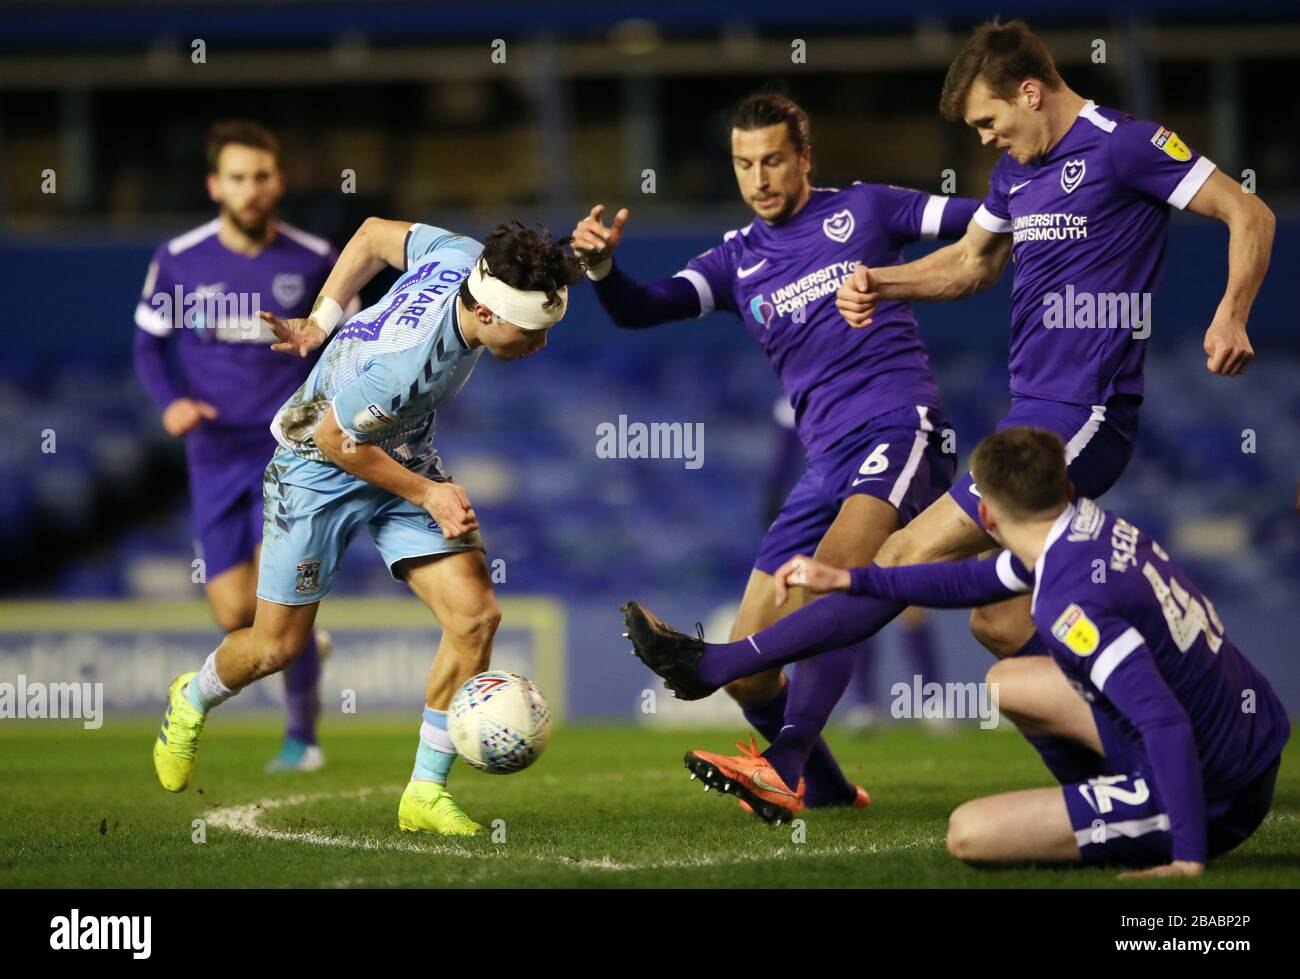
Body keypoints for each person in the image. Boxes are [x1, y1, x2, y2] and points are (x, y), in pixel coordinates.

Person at [621, 18, 1273, 822]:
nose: (986, 138)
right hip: (1025, 422)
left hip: (1085, 416)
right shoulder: (1015, 175)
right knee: (1002, 625)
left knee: (899, 552)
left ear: (1031, 90)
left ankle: (732, 682)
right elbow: (971, 262)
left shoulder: (1126, 146)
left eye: (988, 120)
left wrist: (1232, 313)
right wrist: (884, 284)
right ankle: (1143, 760)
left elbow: (1250, 213)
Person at [577, 91, 977, 818]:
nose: (758, 178)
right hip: (823, 465)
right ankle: (824, 787)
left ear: (804, 159)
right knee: (749, 668)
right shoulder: (737, 260)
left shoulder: (867, 209)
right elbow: (644, 308)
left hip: (899, 430)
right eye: (742, 164)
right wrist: (605, 271)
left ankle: (783, 765)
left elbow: (982, 220)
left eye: (771, 161)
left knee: (833, 589)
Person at [151, 218, 582, 836]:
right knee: (276, 647)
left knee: (475, 619)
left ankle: (423, 794)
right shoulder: (409, 364)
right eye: (532, 331)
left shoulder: (466, 257)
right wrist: (430, 494)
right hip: (316, 470)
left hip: (396, 453)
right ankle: (191, 698)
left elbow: (376, 232)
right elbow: (335, 439)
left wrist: (322, 320)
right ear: (486, 314)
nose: (540, 343)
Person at [762, 427, 1289, 875]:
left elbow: (1163, 720)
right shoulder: (1077, 530)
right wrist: (850, 580)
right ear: (1064, 483)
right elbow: (966, 582)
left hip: (1216, 787)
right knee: (1007, 683)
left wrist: (1188, 857)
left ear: (986, 516)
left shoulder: (1071, 599)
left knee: (968, 833)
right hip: (1246, 734)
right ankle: (1104, 796)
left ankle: (1144, 816)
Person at [134, 120, 356, 772]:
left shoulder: (316, 257)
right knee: (234, 612)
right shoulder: (179, 258)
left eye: (261, 176)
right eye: (237, 177)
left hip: (286, 452)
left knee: (272, 604)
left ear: (278, 181)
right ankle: (305, 651)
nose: (251, 189)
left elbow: (351, 344)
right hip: (211, 453)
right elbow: (148, 343)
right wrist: (170, 401)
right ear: (215, 185)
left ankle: (301, 737)